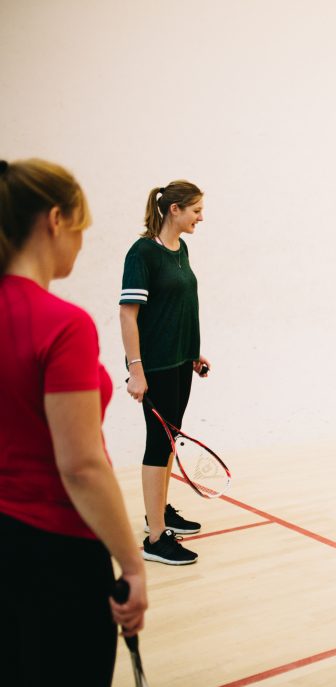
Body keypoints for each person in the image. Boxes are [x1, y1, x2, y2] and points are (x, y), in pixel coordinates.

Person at [0, 158, 148, 686]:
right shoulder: (63, 325)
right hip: (54, 555)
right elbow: (82, 465)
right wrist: (131, 564)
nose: (83, 243)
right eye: (82, 228)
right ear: (55, 220)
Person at [119, 180, 210, 565]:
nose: (200, 217)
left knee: (170, 438)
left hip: (179, 361)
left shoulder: (181, 249)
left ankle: (158, 510)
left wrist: (194, 351)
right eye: (195, 211)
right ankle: (156, 538)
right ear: (174, 210)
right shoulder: (142, 254)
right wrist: (136, 370)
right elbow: (128, 313)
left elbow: (181, 305)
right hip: (154, 366)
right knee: (159, 443)